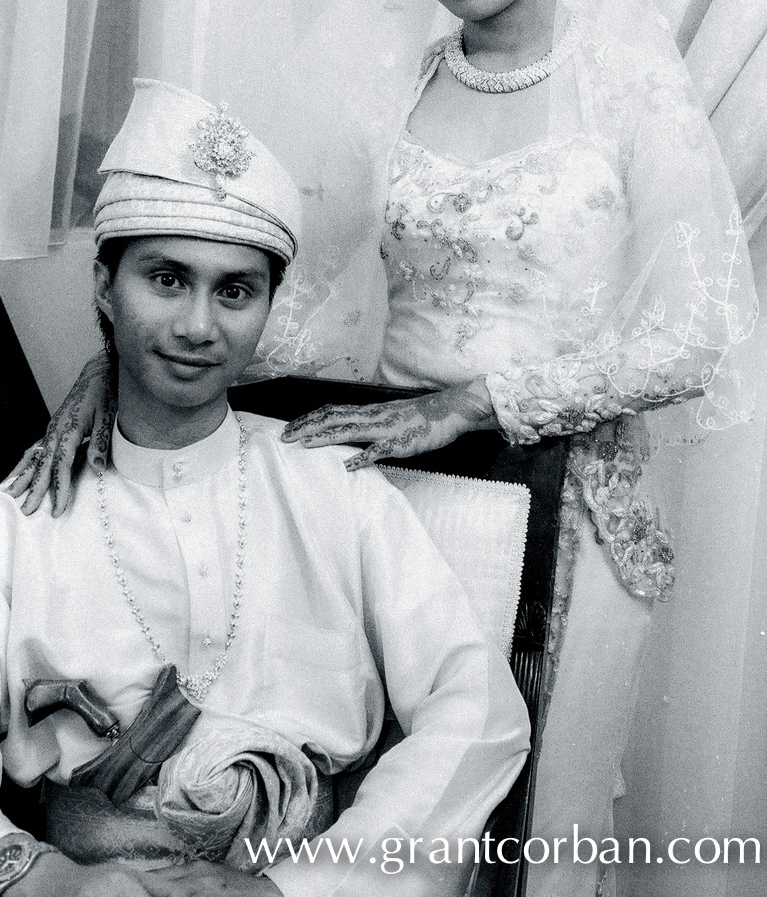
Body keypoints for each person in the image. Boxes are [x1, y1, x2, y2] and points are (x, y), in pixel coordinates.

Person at [6, 0, 758, 896]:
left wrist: (474, 402)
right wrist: (113, 374)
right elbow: (259, 294)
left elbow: (696, 330)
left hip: (570, 500)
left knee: (540, 819)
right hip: (398, 489)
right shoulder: (393, 87)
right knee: (402, 792)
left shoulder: (629, 91)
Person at [0, 79, 529, 896]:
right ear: (104, 287)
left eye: (235, 290)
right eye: (166, 279)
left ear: (269, 305)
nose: (199, 326)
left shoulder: (331, 482)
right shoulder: (25, 515)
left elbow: (477, 709)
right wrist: (49, 880)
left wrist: (308, 887)